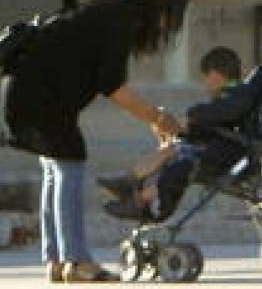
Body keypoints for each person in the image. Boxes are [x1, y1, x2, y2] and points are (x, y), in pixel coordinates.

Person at [1, 0, 191, 282]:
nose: (168, 26)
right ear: (166, 7)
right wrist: (156, 118)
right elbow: (112, 86)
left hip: (27, 86)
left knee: (56, 168)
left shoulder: (114, 10)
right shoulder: (122, 20)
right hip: (39, 93)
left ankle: (58, 261)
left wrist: (152, 116)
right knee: (69, 165)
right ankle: (77, 261)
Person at [99, 45, 248, 222]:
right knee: (174, 147)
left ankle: (139, 199)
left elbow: (212, 121)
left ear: (215, 75)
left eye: (205, 78)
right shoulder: (236, 96)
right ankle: (130, 181)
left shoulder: (235, 98)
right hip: (218, 147)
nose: (205, 85)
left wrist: (187, 124)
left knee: (180, 156)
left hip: (224, 156)